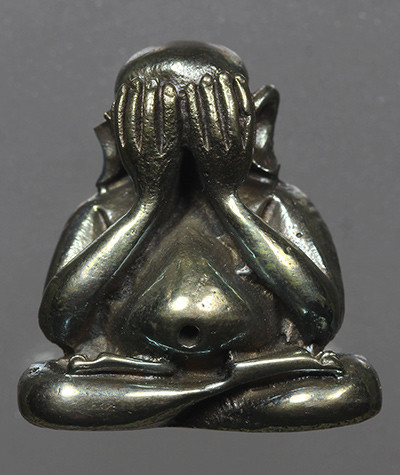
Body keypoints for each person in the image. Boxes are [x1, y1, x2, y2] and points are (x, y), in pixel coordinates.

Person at [19, 42, 381, 431]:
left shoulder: (271, 204)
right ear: (119, 131)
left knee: (355, 386)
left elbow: (321, 318)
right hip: (144, 369)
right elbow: (60, 323)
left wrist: (228, 200)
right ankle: (219, 397)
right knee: (46, 392)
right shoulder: (105, 211)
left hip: (250, 367)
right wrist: (148, 205)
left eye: (210, 116)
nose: (183, 135)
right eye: (154, 118)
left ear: (253, 125)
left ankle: (173, 404)